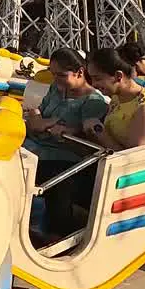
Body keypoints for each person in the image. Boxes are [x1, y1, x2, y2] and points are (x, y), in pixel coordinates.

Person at [25, 48, 110, 236]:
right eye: (53, 74)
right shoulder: (57, 89)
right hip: (33, 148)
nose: (55, 79)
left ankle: (50, 233)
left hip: (62, 159)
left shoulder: (93, 102)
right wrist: (43, 123)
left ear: (79, 72)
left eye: (61, 75)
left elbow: (88, 143)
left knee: (54, 186)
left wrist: (58, 130)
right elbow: (36, 113)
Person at [85, 48, 145, 151]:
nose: (94, 84)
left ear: (118, 76)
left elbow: (133, 158)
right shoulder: (117, 97)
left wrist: (99, 131)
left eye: (98, 78)